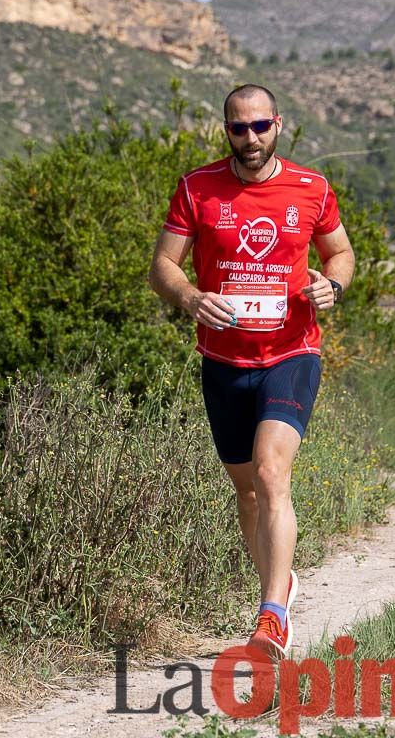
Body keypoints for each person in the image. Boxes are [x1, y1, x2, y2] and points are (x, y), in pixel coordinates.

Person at [149, 83, 355, 661]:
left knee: (271, 474)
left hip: (291, 353)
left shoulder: (311, 188)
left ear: (278, 125)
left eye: (260, 126)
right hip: (223, 361)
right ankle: (279, 582)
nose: (251, 138)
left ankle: (271, 617)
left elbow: (341, 253)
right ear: (226, 130)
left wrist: (332, 284)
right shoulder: (197, 188)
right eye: (239, 128)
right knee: (246, 492)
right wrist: (190, 297)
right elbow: (163, 264)